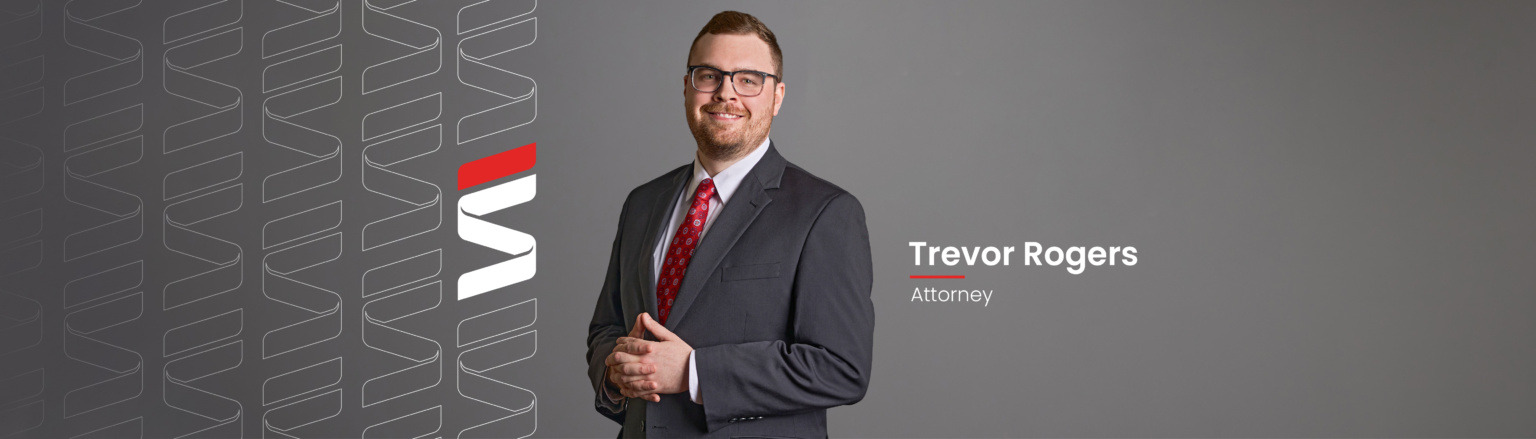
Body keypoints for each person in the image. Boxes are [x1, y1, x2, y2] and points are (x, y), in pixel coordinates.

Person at [585, 10, 875, 438]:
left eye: (748, 79)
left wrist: (694, 371)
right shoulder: (643, 203)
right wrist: (615, 372)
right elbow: (606, 328)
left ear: (777, 97)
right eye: (709, 76)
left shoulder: (826, 212)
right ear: (687, 87)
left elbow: (841, 367)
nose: (726, 93)